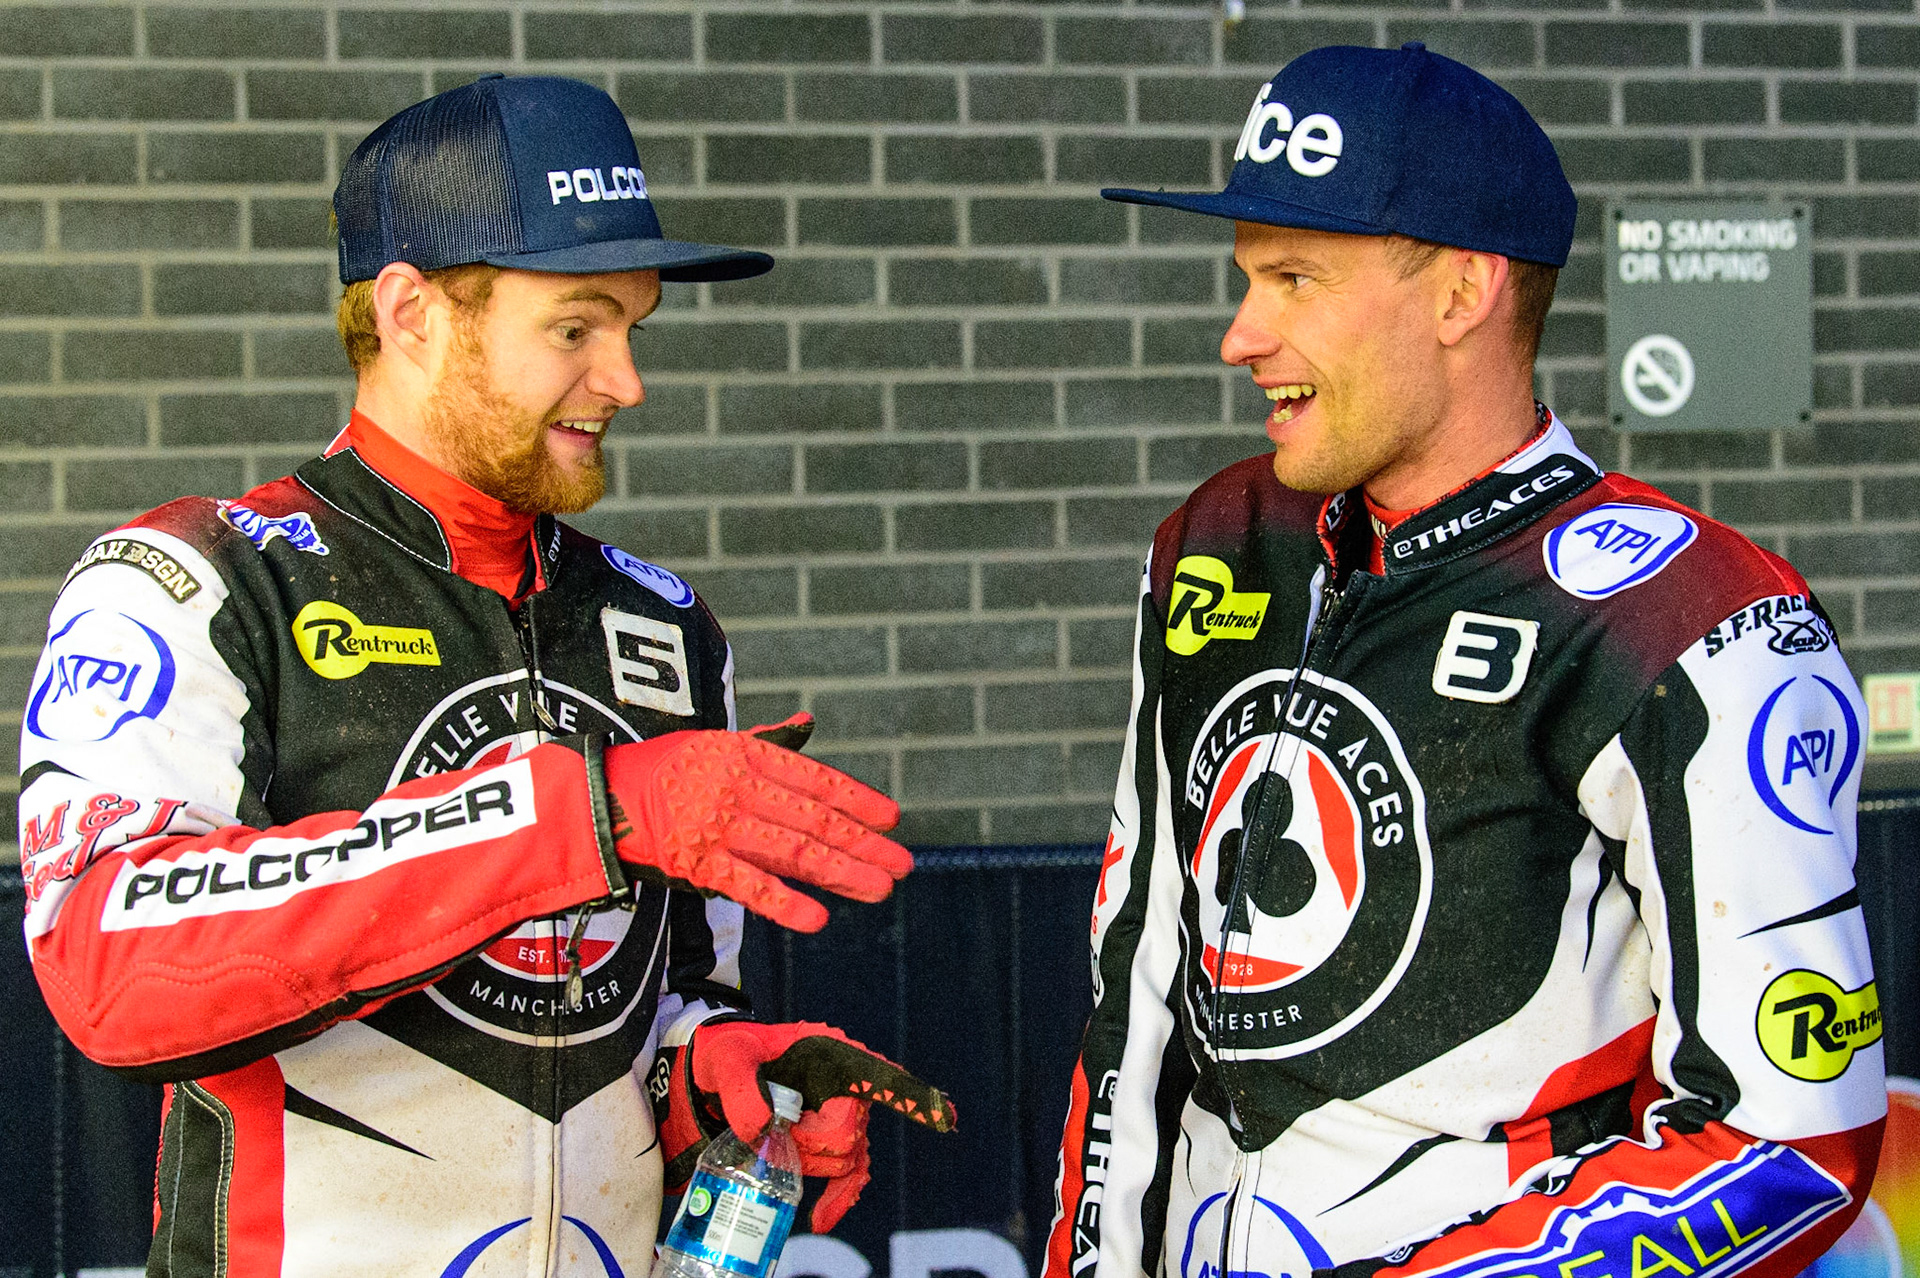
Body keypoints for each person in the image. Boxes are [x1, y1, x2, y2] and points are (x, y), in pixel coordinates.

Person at [17, 74, 952, 1278]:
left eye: (633, 326)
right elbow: (109, 966)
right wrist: (585, 812)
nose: (626, 380)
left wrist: (717, 1075)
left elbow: (663, 1006)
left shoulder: (662, 624)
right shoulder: (197, 579)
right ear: (412, 313)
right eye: (576, 327)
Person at [1046, 43, 1884, 1278]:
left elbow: (1790, 1143)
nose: (1240, 335)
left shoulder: (1694, 618)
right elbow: (1137, 988)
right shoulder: (1216, 541)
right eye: (1246, 278)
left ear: (1460, 295)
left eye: (1293, 279)